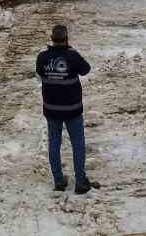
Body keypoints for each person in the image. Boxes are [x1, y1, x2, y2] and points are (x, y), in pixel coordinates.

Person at [36, 24, 100, 194]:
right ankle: (80, 181)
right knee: (78, 144)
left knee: (54, 143)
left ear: (51, 38)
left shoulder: (42, 57)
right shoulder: (72, 56)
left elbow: (40, 73)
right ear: (67, 38)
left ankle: (58, 181)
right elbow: (86, 70)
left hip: (51, 109)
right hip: (72, 110)